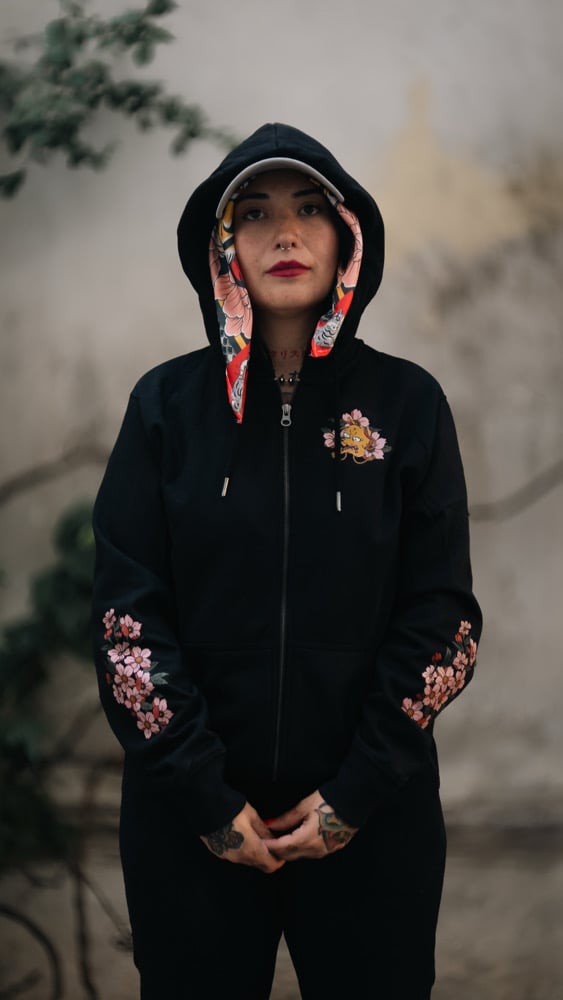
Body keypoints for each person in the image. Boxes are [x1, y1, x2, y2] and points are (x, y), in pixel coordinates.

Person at [92, 122, 482, 1000]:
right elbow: (126, 619)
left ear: (347, 238)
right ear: (222, 245)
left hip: (369, 820)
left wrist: (356, 792)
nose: (286, 234)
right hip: (190, 823)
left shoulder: (406, 405)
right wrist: (202, 795)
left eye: (310, 209)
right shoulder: (164, 408)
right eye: (256, 213)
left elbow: (443, 619)